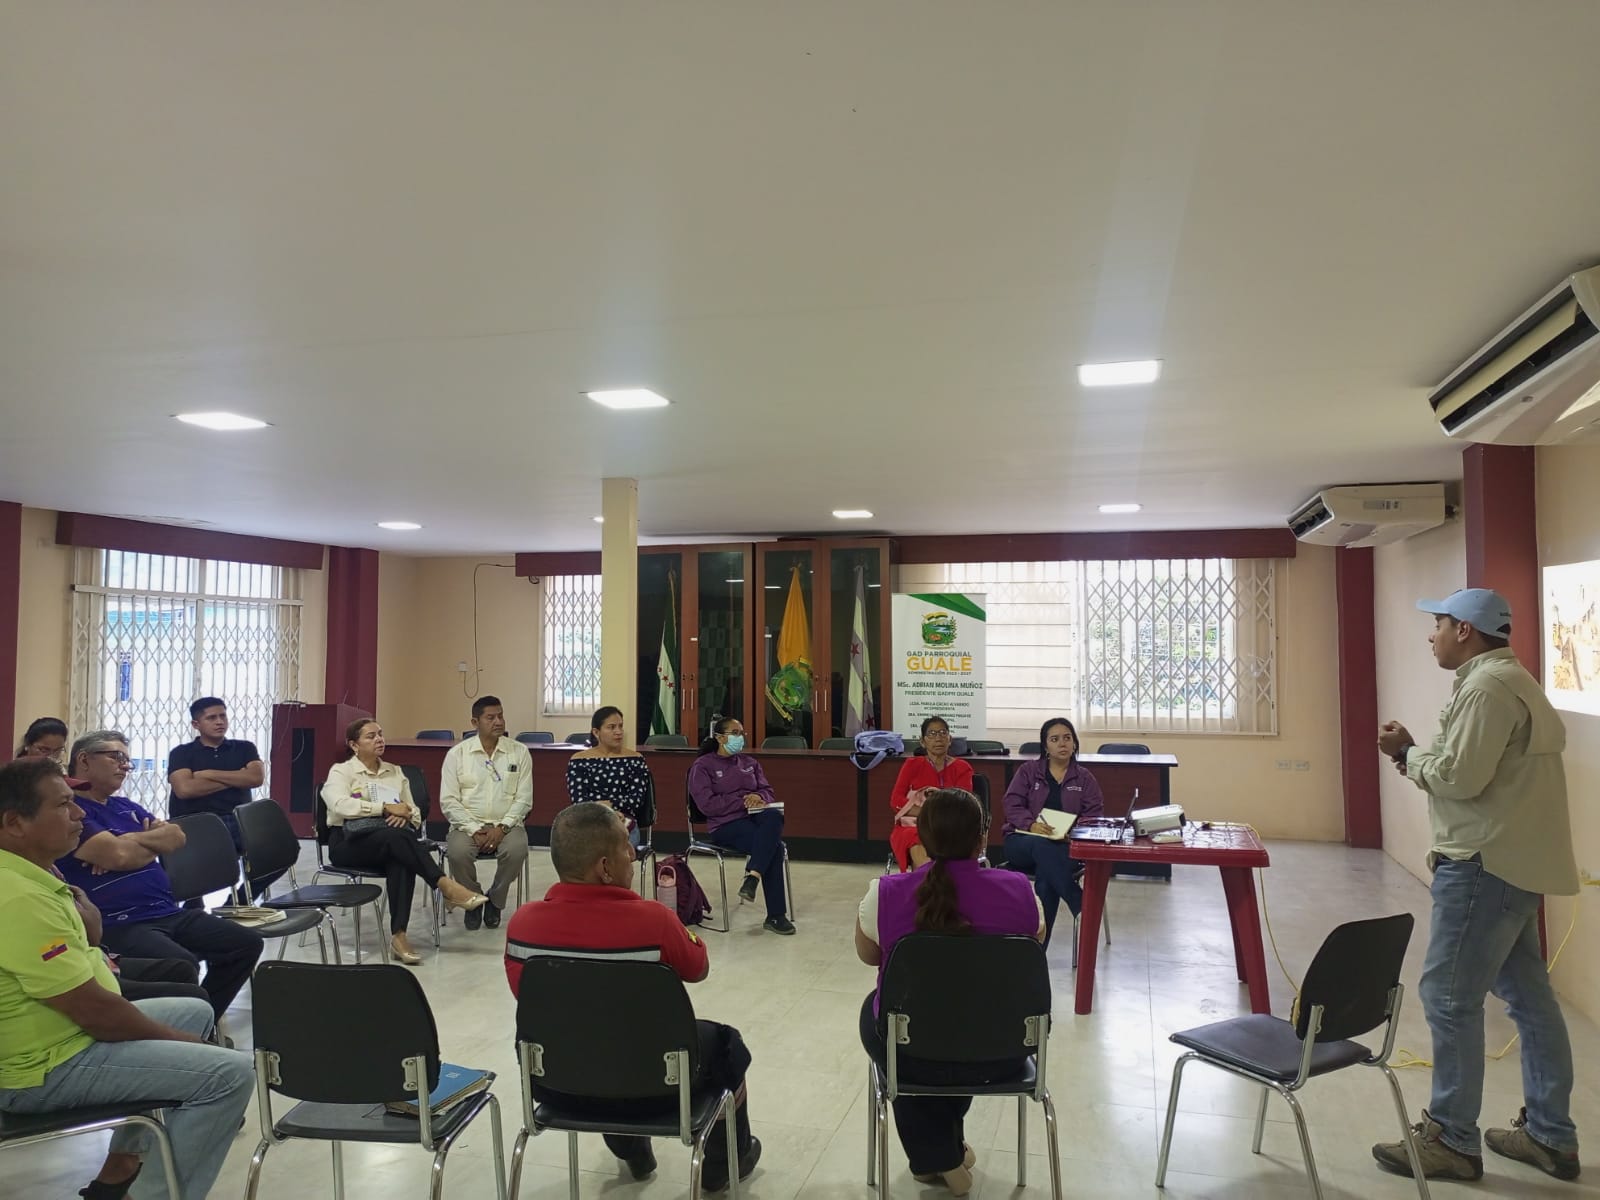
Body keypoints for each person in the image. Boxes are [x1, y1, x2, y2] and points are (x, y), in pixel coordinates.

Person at [1372, 588, 1582, 1183]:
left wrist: (1407, 752)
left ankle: (1452, 1140)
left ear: (1465, 629)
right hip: (1514, 863)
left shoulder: (1487, 688)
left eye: (1438, 623)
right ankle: (1550, 1135)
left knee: (1447, 998)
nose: (1431, 634)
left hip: (1482, 865)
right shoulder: (1515, 681)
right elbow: (1475, 771)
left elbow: (1460, 777)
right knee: (1530, 1001)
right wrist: (1419, 758)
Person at [0, 756, 255, 1200]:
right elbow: (96, 1013)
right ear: (14, 823)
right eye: (63, 805)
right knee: (230, 1073)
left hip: (66, 1033)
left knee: (194, 1010)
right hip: (40, 1069)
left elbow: (87, 960)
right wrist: (184, 1044)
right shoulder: (18, 896)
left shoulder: (36, 874)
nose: (79, 814)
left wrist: (92, 928)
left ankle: (121, 1168)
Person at [504, 803, 761, 1190]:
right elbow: (699, 968)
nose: (634, 855)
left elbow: (531, 999)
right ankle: (724, 1164)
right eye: (627, 846)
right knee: (726, 1045)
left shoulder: (522, 925)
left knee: (594, 1037)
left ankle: (630, 1149)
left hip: (558, 1083)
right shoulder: (655, 920)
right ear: (605, 868)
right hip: (659, 1085)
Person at [854, 787, 1044, 1196]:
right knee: (962, 1021)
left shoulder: (883, 894)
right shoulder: (1021, 891)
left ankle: (937, 1156)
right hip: (1003, 1052)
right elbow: (1032, 950)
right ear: (982, 838)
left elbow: (868, 955)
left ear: (920, 838)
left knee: (886, 1017)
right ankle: (942, 1152)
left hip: (914, 1051)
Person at [55, 731, 264, 1022]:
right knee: (182, 964)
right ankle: (181, 1027)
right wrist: (144, 842)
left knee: (246, 944)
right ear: (84, 760)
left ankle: (203, 1022)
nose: (125, 766)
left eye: (127, 760)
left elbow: (176, 837)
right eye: (116, 757)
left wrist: (127, 841)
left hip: (167, 911)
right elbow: (119, 856)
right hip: (119, 921)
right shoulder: (72, 813)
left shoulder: (126, 807)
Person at [321, 717, 486, 965]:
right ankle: (445, 885)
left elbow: (415, 812)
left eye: (380, 734)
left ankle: (399, 937)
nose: (379, 739)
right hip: (348, 843)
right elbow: (339, 805)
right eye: (370, 736)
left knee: (400, 854)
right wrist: (384, 808)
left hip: (390, 840)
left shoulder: (395, 772)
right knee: (400, 841)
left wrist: (405, 814)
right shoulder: (341, 771)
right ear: (354, 745)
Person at [166, 697, 282, 902]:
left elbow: (256, 778)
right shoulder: (182, 753)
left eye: (223, 716)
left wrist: (208, 774)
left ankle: (239, 902)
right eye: (211, 718)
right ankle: (193, 905)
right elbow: (185, 789)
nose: (219, 722)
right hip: (195, 822)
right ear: (196, 724)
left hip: (237, 819)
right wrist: (237, 778)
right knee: (197, 859)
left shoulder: (244, 748)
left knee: (279, 852)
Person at [686, 717, 795, 935]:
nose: (740, 738)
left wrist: (758, 796)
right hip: (725, 824)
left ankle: (752, 877)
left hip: (755, 818)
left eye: (742, 733)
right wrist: (742, 801)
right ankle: (776, 915)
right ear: (720, 737)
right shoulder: (703, 766)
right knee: (774, 847)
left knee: (774, 816)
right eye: (735, 733)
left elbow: (767, 790)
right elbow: (707, 805)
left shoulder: (750, 763)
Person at [1000, 716, 1103, 944]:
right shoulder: (1028, 771)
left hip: (1063, 847)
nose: (1062, 743)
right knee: (1041, 843)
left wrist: (1072, 833)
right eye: (1055, 739)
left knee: (1047, 879)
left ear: (1074, 743)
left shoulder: (1085, 778)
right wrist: (1031, 824)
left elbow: (1094, 816)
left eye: (1067, 738)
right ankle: (1077, 900)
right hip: (1023, 842)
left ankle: (1037, 951)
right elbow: (1011, 804)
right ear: (1045, 746)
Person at [439, 696, 532, 931]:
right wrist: (473, 829)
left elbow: (524, 799)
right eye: (490, 717)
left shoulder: (519, 752)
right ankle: (474, 900)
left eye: (500, 716)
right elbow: (449, 801)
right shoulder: (457, 755)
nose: (498, 722)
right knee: (457, 853)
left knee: (516, 850)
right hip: (467, 824)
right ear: (475, 722)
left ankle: (495, 900)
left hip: (507, 824)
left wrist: (502, 828)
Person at [887, 716, 974, 871]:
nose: (938, 738)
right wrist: (928, 814)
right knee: (917, 838)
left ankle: (933, 881)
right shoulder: (912, 764)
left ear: (950, 739)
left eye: (943, 733)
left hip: (949, 825)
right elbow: (896, 801)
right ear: (922, 741)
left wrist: (936, 817)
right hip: (914, 825)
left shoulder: (962, 767)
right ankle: (927, 881)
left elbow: (963, 804)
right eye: (932, 734)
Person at [565, 705, 654, 845]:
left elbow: (636, 800)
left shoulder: (636, 759)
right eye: (611, 727)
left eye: (620, 726)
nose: (618, 732)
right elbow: (578, 800)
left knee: (615, 847)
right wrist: (602, 810)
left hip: (624, 822)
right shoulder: (579, 760)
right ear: (596, 732)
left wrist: (611, 805)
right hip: (590, 821)